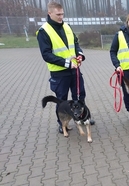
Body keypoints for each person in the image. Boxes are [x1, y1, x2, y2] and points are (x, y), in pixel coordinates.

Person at [36, 1, 94, 134]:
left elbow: (75, 43)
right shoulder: (43, 31)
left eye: (62, 14)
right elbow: (47, 55)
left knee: (79, 96)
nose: (61, 17)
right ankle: (62, 123)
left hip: (75, 70)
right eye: (58, 14)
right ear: (49, 13)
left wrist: (80, 55)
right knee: (62, 101)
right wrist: (67, 63)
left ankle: (83, 118)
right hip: (59, 73)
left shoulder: (67, 26)